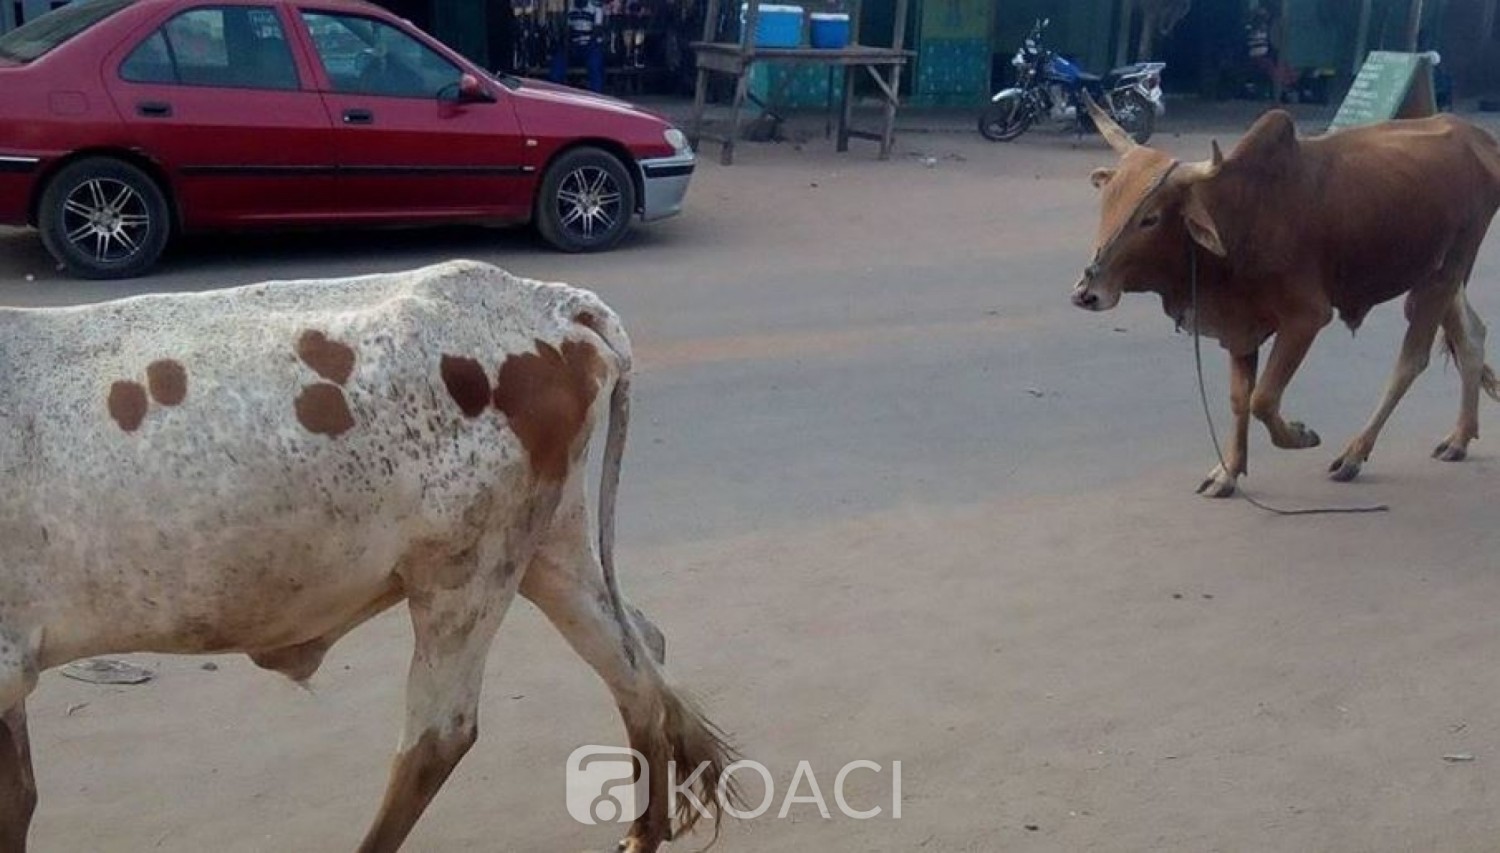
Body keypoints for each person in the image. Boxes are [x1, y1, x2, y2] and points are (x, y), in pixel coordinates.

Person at [551, 0, 606, 91]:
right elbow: (567, 31)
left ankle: (596, 94)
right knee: (559, 60)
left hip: (590, 46)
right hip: (573, 46)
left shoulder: (596, 7)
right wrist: (569, 43)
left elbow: (597, 31)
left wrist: (584, 42)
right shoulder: (570, 8)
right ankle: (555, 90)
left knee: (595, 65)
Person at [1245, 5, 1296, 98]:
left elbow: (1273, 44)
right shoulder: (1251, 29)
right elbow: (1255, 51)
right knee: (1272, 68)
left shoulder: (1271, 28)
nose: (1263, 19)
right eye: (1261, 17)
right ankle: (1282, 88)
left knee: (1286, 66)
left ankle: (1289, 87)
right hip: (1256, 57)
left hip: (1269, 55)